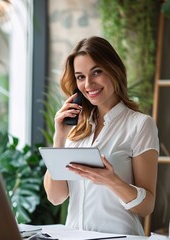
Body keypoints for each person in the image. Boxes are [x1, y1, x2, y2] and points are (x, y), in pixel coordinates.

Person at [43, 36, 159, 236]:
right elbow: (56, 197)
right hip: (74, 236)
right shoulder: (75, 130)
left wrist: (112, 180)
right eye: (80, 77)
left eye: (96, 72)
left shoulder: (140, 125)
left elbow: (146, 207)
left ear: (113, 70)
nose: (88, 84)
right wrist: (59, 138)